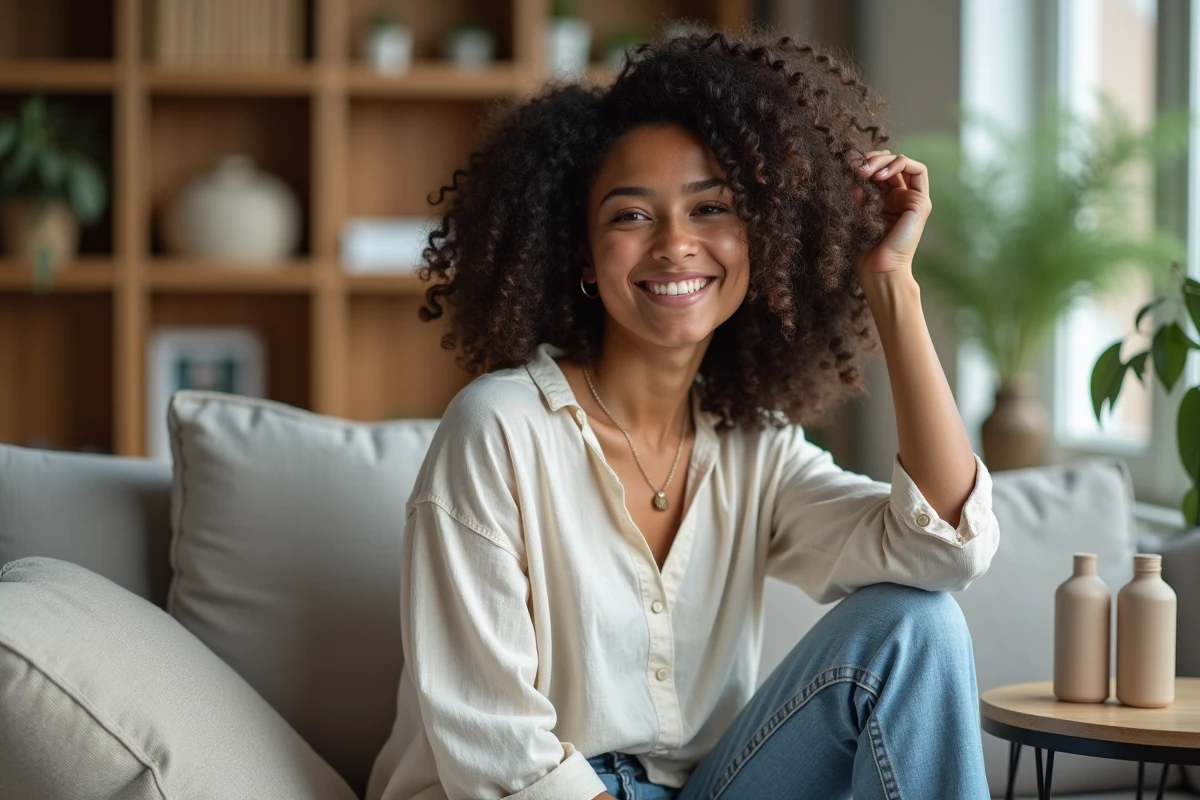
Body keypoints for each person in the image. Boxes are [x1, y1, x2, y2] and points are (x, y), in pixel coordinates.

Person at [366, 28, 1000, 800]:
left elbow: (939, 553)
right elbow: (500, 756)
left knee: (918, 626)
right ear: (581, 255)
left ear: (760, 241)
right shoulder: (496, 430)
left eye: (713, 209)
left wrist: (892, 285)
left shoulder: (754, 443)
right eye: (632, 216)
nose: (675, 245)